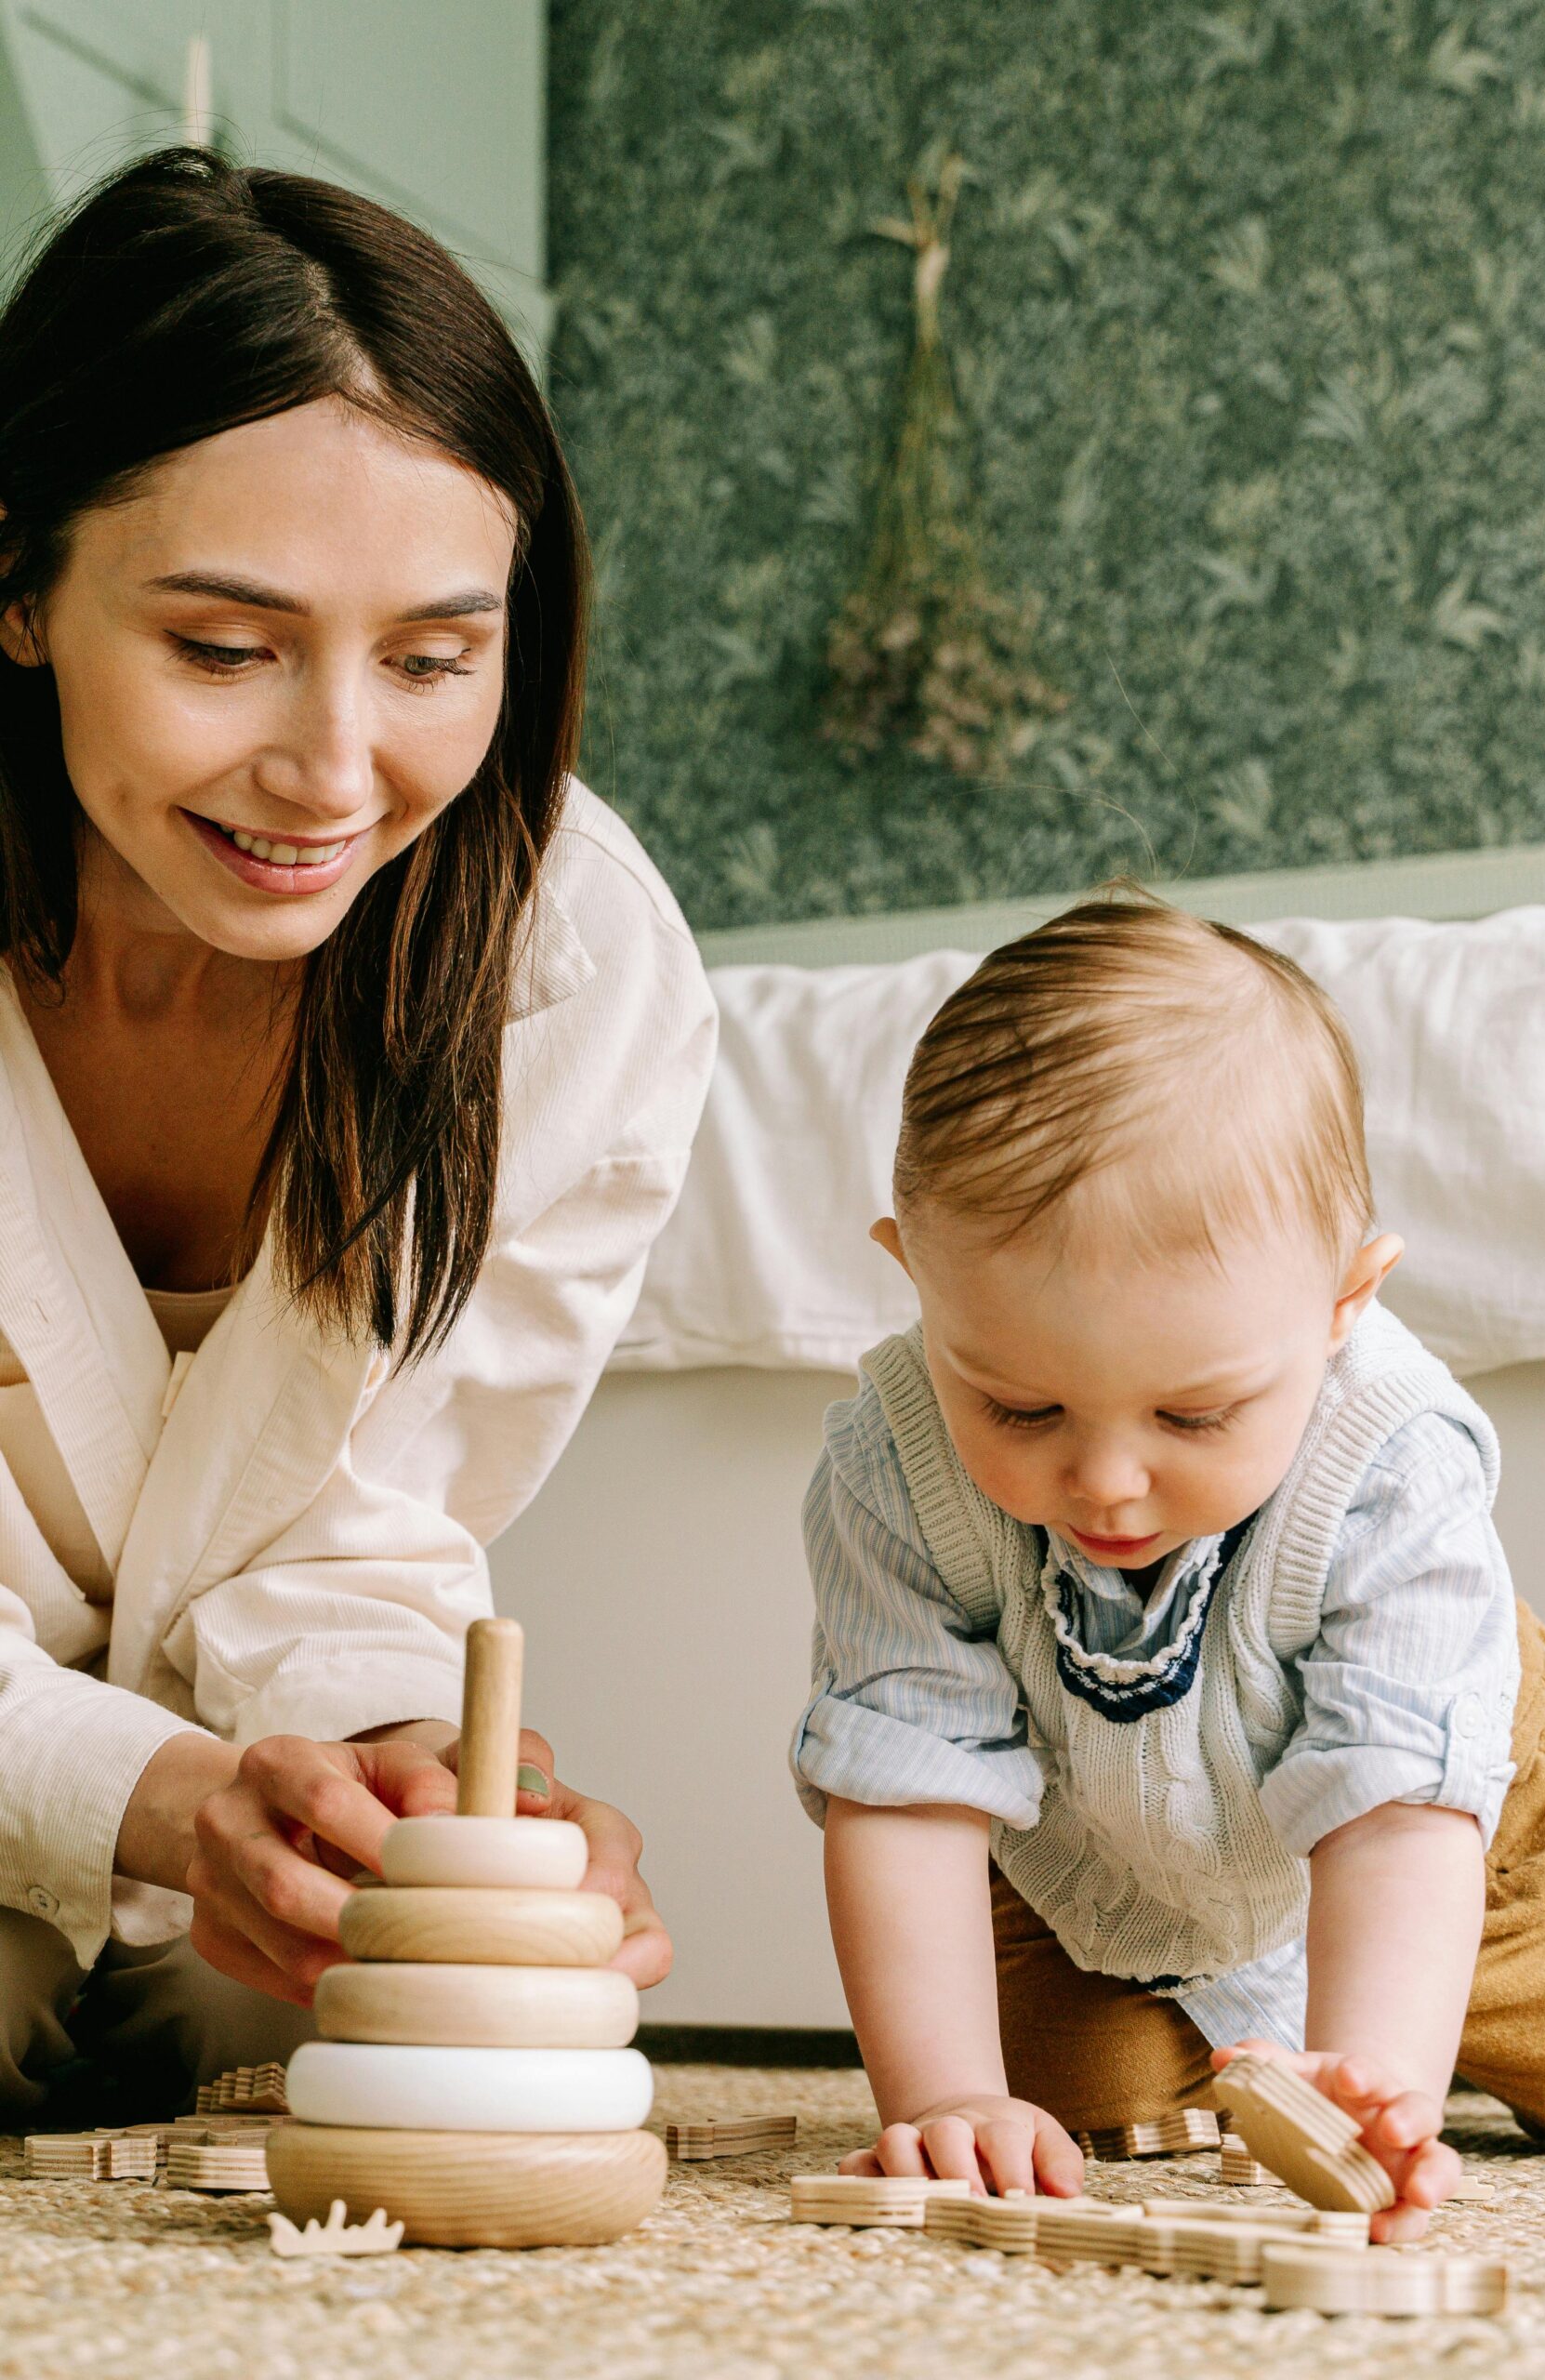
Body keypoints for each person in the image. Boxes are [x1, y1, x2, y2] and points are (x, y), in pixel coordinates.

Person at [0, 149, 716, 2114]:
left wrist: (400, 1765)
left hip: (214, 1757)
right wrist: (143, 1792)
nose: (332, 772)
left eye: (430, 656)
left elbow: (365, 1511)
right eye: (224, 648)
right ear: (19, 586)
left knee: (381, 1992)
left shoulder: (569, 968)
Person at [792, 895, 1545, 2240]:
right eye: (1023, 1408)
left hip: (1474, 1839)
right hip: (1112, 1866)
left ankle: (1378, 2026)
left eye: (1194, 1416)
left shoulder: (1393, 1454)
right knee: (1052, 2102)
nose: (1105, 1482)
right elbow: (907, 1794)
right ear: (916, 1278)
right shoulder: (889, 1456)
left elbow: (1398, 1813)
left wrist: (1368, 2094)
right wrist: (943, 2097)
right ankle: (1251, 2028)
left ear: (1345, 1305)